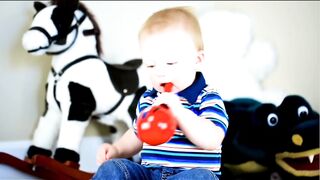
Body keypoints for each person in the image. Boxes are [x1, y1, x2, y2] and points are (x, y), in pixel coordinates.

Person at [93, 6, 229, 180]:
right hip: (149, 174)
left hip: (189, 174)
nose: (160, 72)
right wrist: (117, 149)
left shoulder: (207, 97)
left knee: (202, 177)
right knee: (114, 168)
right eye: (151, 65)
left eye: (170, 63)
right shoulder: (150, 98)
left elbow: (212, 140)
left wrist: (179, 112)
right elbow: (137, 134)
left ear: (197, 60)